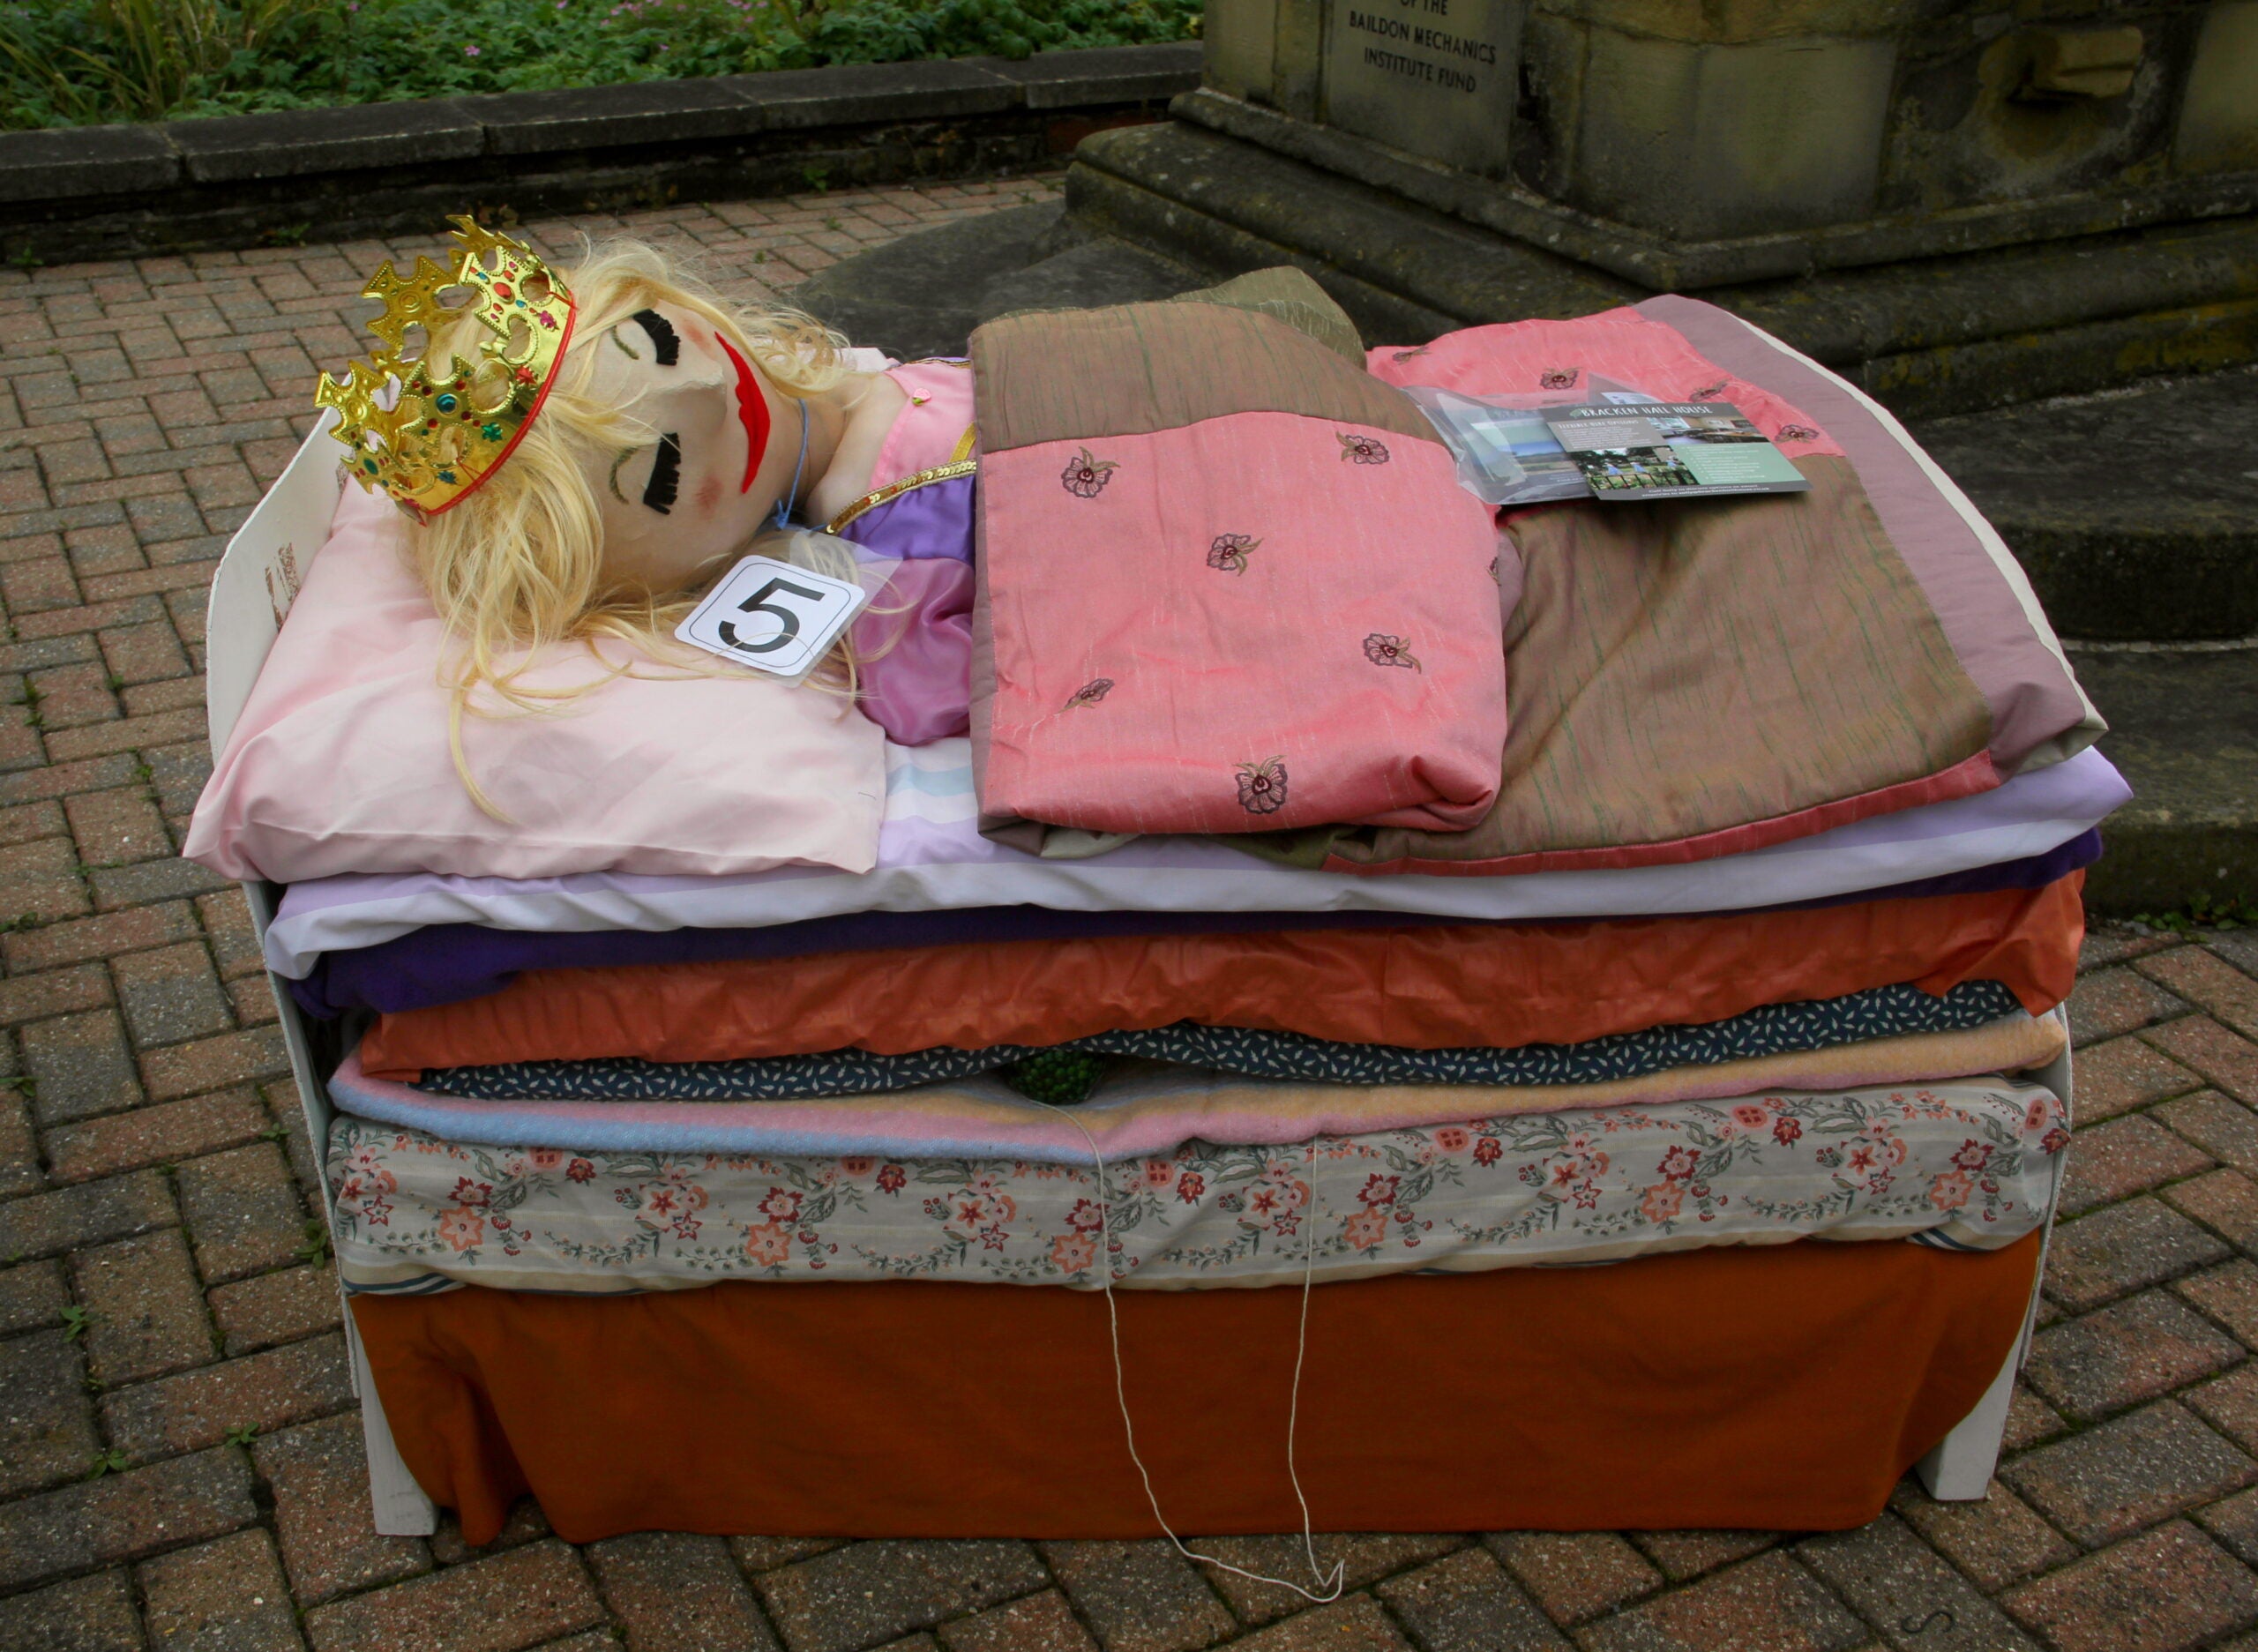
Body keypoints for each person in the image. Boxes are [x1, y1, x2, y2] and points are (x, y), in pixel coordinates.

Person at [316, 219, 976, 811]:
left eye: (659, 339)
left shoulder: (848, 388)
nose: (707, 389)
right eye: (664, 470)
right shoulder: (890, 514)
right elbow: (954, 677)